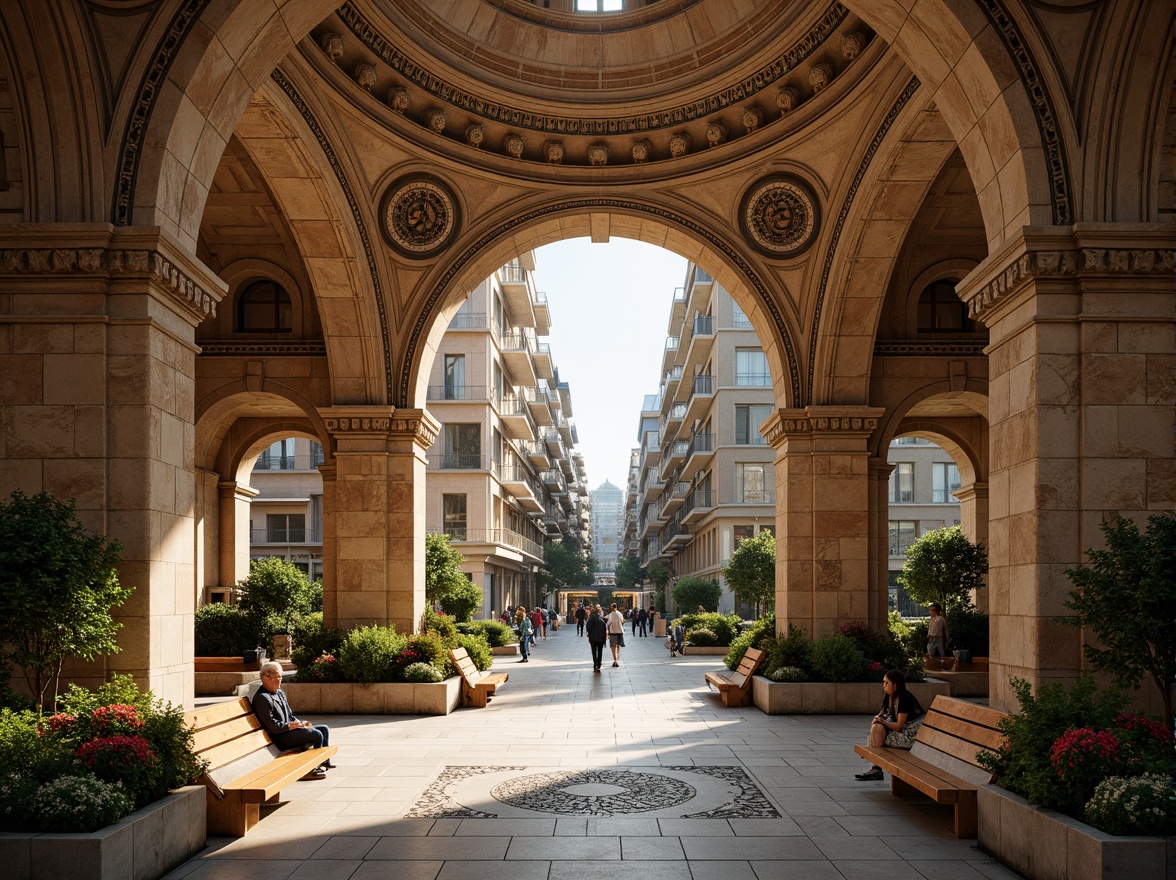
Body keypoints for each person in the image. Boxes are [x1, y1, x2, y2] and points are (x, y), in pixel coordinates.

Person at [252, 661, 334, 778]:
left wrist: (300, 723)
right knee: (316, 734)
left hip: (288, 732)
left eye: (280, 677)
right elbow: (272, 726)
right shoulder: (261, 698)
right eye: (277, 677)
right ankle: (310, 769)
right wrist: (289, 726)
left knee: (324, 729)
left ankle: (324, 762)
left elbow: (290, 715)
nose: (280, 680)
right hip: (279, 737)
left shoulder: (279, 693)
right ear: (265, 678)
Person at [855, 668, 925, 780]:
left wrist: (882, 721)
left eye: (886, 683)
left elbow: (898, 726)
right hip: (902, 732)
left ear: (895, 684)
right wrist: (878, 719)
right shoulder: (890, 697)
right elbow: (882, 714)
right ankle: (875, 768)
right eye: (883, 682)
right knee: (876, 728)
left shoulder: (903, 697)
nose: (884, 685)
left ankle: (876, 769)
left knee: (878, 732)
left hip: (911, 736)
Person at [585, 604, 607, 673]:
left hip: (593, 638)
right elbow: (605, 629)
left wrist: (589, 634)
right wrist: (604, 639)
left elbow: (588, 628)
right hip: (600, 639)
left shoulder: (590, 619)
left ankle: (595, 664)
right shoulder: (602, 620)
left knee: (594, 652)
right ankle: (599, 664)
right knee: (600, 651)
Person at [606, 602, 625, 667]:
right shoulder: (620, 613)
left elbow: (608, 623)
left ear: (611, 607)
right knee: (617, 646)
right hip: (620, 632)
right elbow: (622, 621)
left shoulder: (611, 614)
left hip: (613, 632)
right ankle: (617, 660)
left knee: (613, 646)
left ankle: (615, 660)